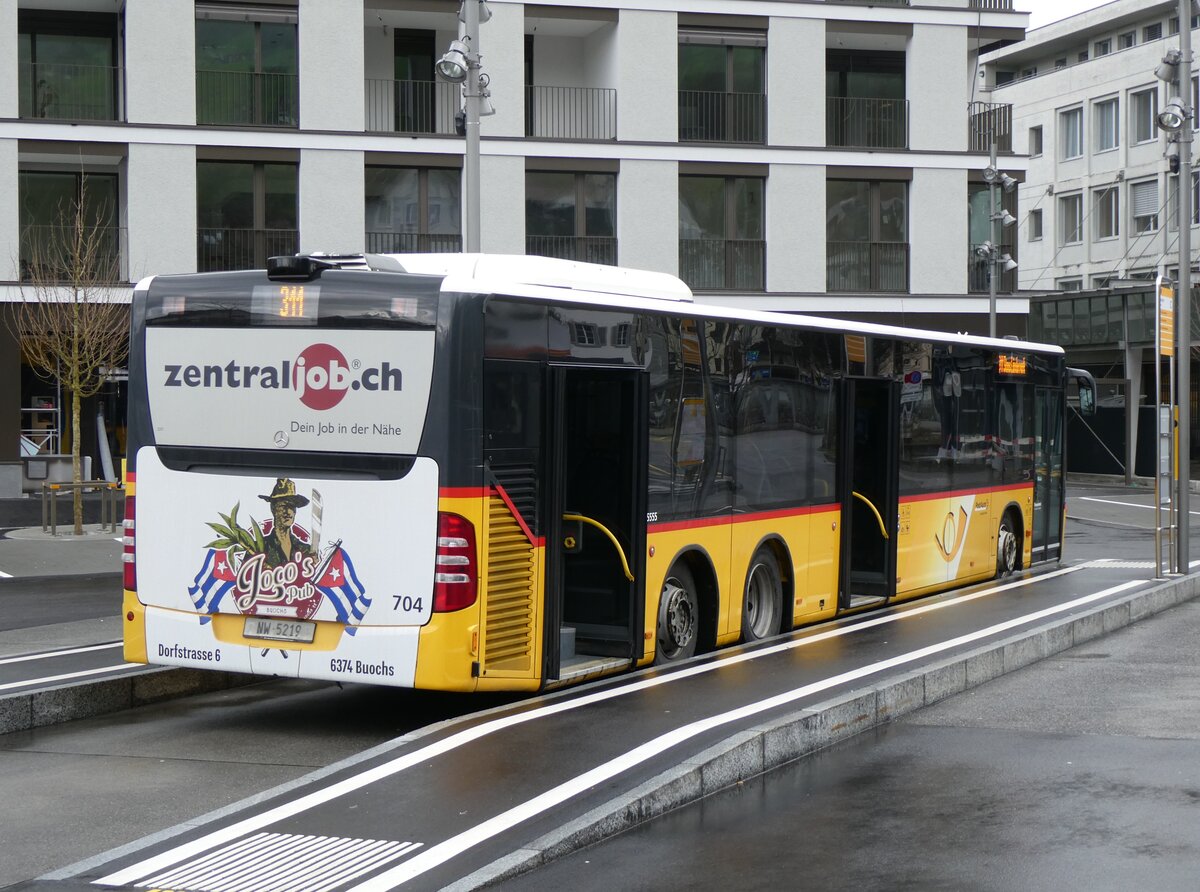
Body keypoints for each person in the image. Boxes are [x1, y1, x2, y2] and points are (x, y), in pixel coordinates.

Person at [258, 478, 312, 567]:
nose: (288, 512)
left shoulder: (305, 550)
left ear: (295, 511)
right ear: (273, 509)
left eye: (291, 506)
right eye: (283, 506)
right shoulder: (259, 548)